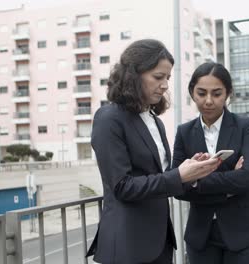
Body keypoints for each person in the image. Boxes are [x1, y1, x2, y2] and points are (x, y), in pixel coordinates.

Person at [86, 39, 220, 264]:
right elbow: (122, 186)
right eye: (158, 77)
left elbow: (160, 176)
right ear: (133, 75)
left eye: (167, 78)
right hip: (128, 245)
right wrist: (178, 175)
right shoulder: (108, 118)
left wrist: (191, 171)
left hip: (159, 243)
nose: (166, 85)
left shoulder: (155, 122)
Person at [172, 62, 249, 264]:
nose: (208, 101)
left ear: (228, 94)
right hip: (201, 238)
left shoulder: (246, 126)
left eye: (216, 94)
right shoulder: (184, 132)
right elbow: (176, 185)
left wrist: (197, 180)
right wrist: (229, 186)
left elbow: (248, 176)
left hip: (246, 234)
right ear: (192, 92)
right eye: (201, 93)